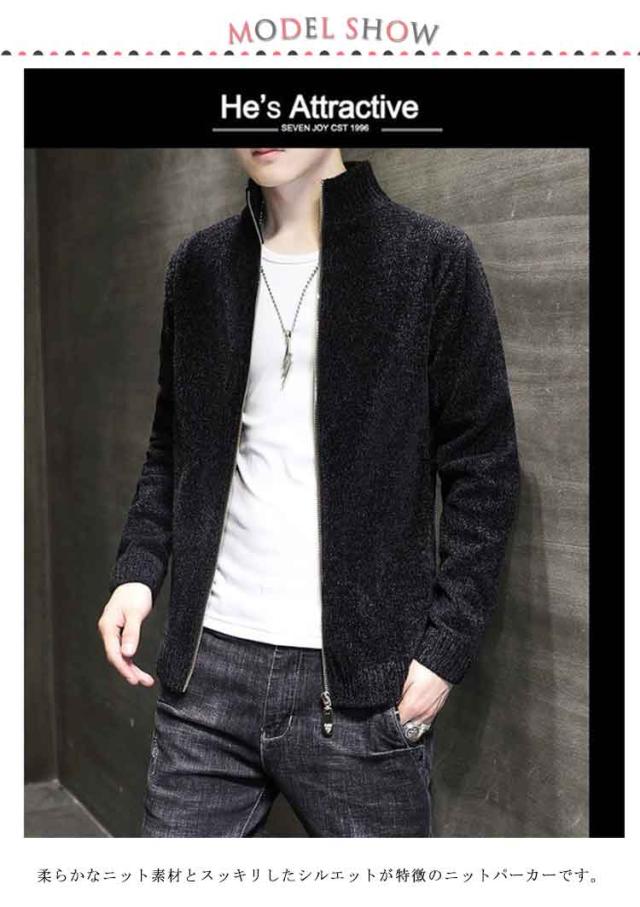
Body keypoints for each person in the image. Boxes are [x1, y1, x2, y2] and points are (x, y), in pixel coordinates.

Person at [98, 149, 521, 837]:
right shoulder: (199, 268)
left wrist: (445, 651)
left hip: (362, 693)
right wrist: (138, 572)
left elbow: (485, 467)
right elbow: (172, 447)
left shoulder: (429, 259)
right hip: (208, 672)